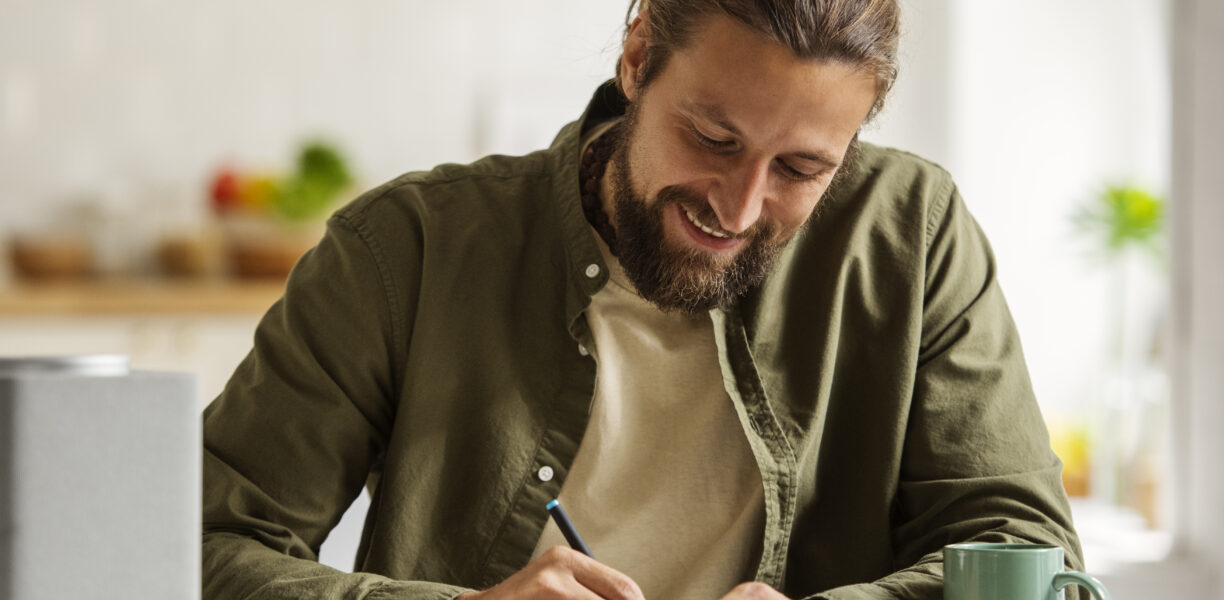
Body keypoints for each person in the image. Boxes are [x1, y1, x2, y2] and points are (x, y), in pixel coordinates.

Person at [201, 0, 1086, 598]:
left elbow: (1029, 558)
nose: (737, 209)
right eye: (711, 137)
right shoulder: (408, 250)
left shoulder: (913, 235)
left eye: (802, 168)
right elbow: (199, 549)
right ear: (637, 58)